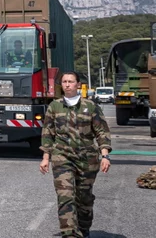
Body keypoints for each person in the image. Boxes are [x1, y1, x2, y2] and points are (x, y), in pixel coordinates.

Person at [39, 71, 111, 238]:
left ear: (78, 84)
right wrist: (46, 158)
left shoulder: (91, 106)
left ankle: (84, 229)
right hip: (62, 157)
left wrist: (105, 155)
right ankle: (70, 234)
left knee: (84, 199)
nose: (67, 84)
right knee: (66, 196)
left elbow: (101, 132)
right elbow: (47, 133)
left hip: (87, 158)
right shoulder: (54, 106)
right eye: (64, 81)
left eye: (71, 81)